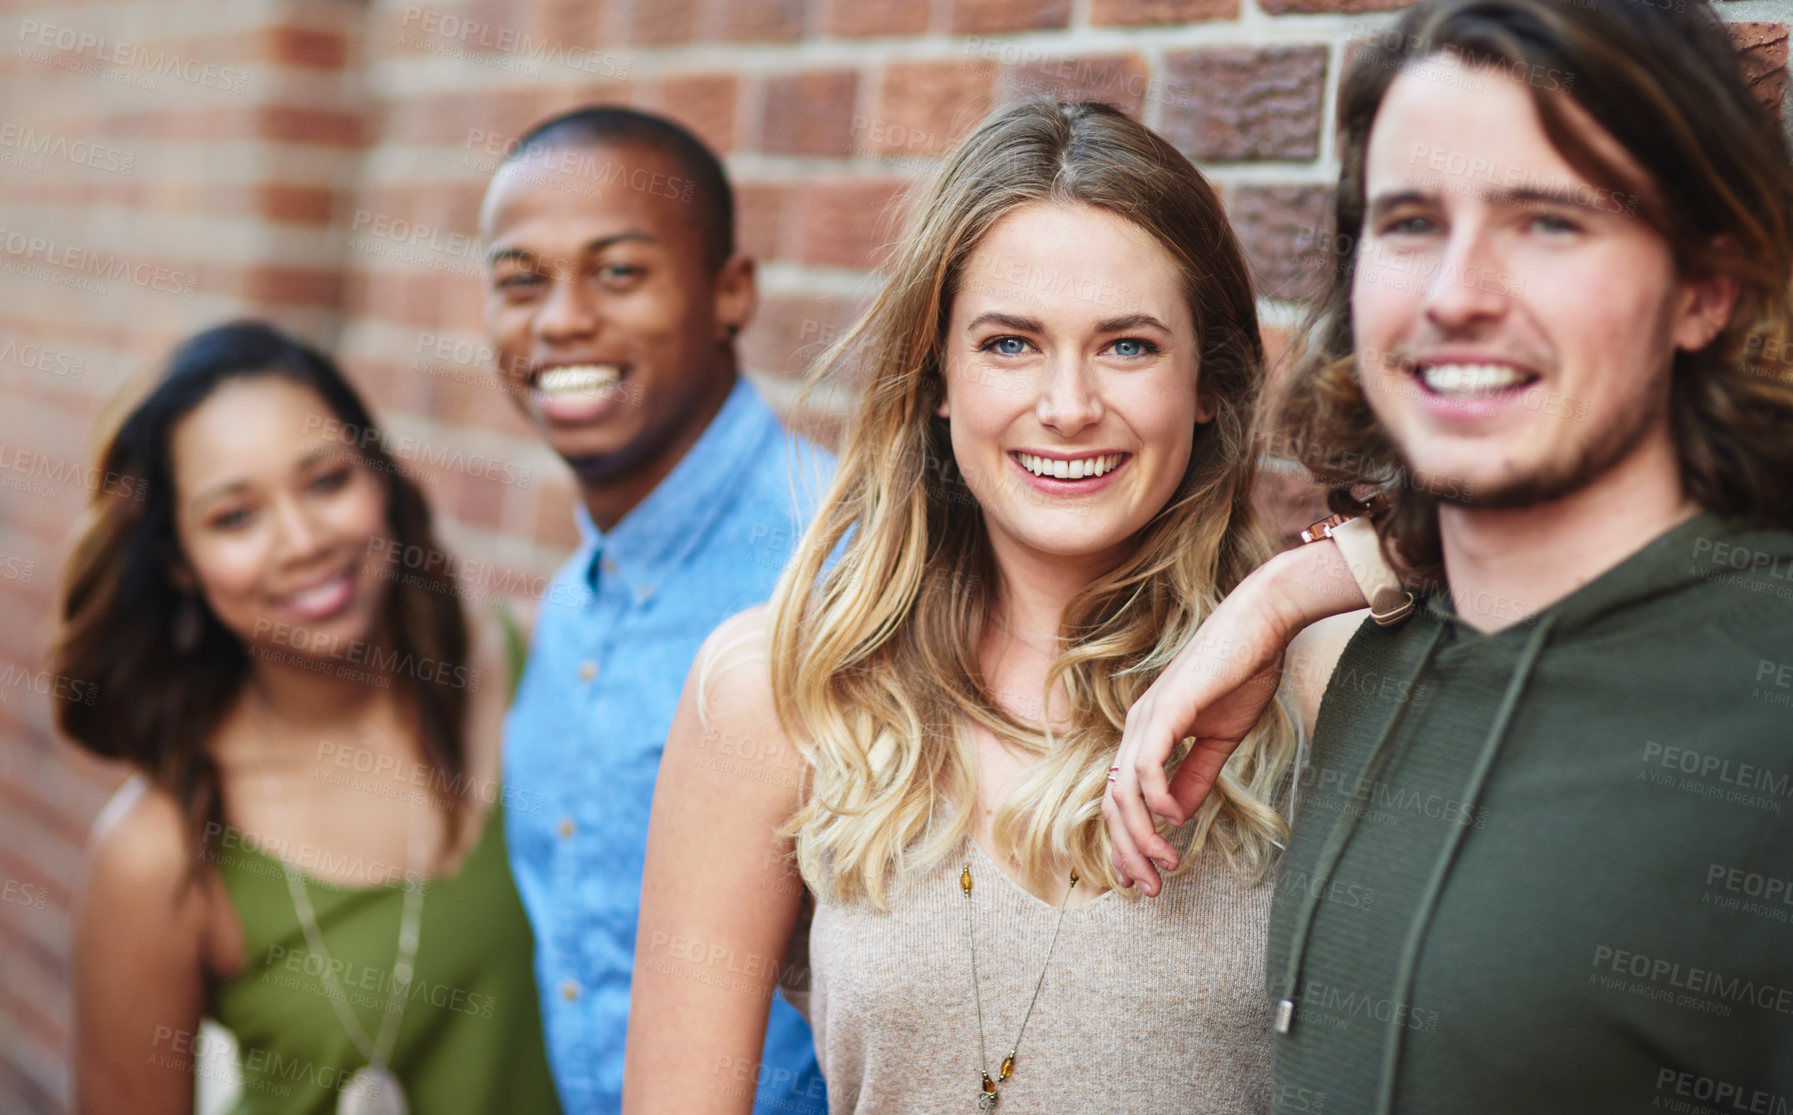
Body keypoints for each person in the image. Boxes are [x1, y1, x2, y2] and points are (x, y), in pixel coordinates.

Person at [1105, 0, 1793, 1109]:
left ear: (1703, 288)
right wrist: (1288, 591)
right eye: (1410, 222)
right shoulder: (1371, 662)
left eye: (1549, 222)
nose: (1455, 293)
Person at [626, 99, 1312, 1114]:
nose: (1068, 403)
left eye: (1127, 346)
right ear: (937, 375)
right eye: (1008, 343)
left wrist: (1295, 593)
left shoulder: (1310, 673)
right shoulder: (779, 692)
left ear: (1206, 381)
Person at [55, 321, 562, 1114]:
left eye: (327, 481)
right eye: (234, 517)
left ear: (382, 481)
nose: (301, 540)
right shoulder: (158, 850)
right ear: (178, 563)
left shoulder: (538, 668)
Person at [481, 107, 830, 1113]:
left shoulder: (841, 570)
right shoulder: (567, 610)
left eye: (618, 271)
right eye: (520, 281)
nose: (559, 320)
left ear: (729, 291)